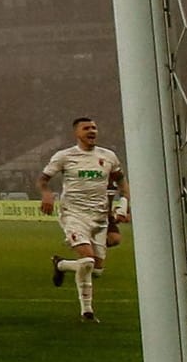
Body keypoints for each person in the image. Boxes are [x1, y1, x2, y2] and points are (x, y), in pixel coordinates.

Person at [40, 117, 130, 323]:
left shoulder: (108, 156)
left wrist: (124, 205)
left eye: (94, 128)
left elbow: (122, 182)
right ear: (76, 133)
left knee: (96, 270)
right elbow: (43, 179)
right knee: (87, 260)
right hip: (73, 214)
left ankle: (61, 264)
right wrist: (46, 194)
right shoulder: (64, 156)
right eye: (86, 128)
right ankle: (87, 312)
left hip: (99, 217)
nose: (92, 131)